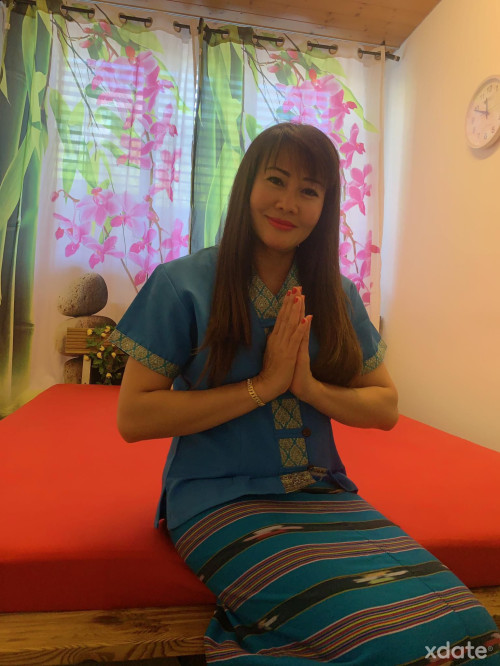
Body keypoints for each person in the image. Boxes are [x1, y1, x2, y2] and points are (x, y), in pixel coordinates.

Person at [111, 123, 499, 665]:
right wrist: (262, 387)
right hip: (216, 500)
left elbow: (385, 406)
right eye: (276, 180)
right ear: (248, 184)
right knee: (389, 643)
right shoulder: (182, 284)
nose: (288, 203)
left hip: (324, 495)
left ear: (325, 206)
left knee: (473, 636)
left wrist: (309, 388)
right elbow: (134, 416)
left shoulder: (337, 295)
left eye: (309, 191)